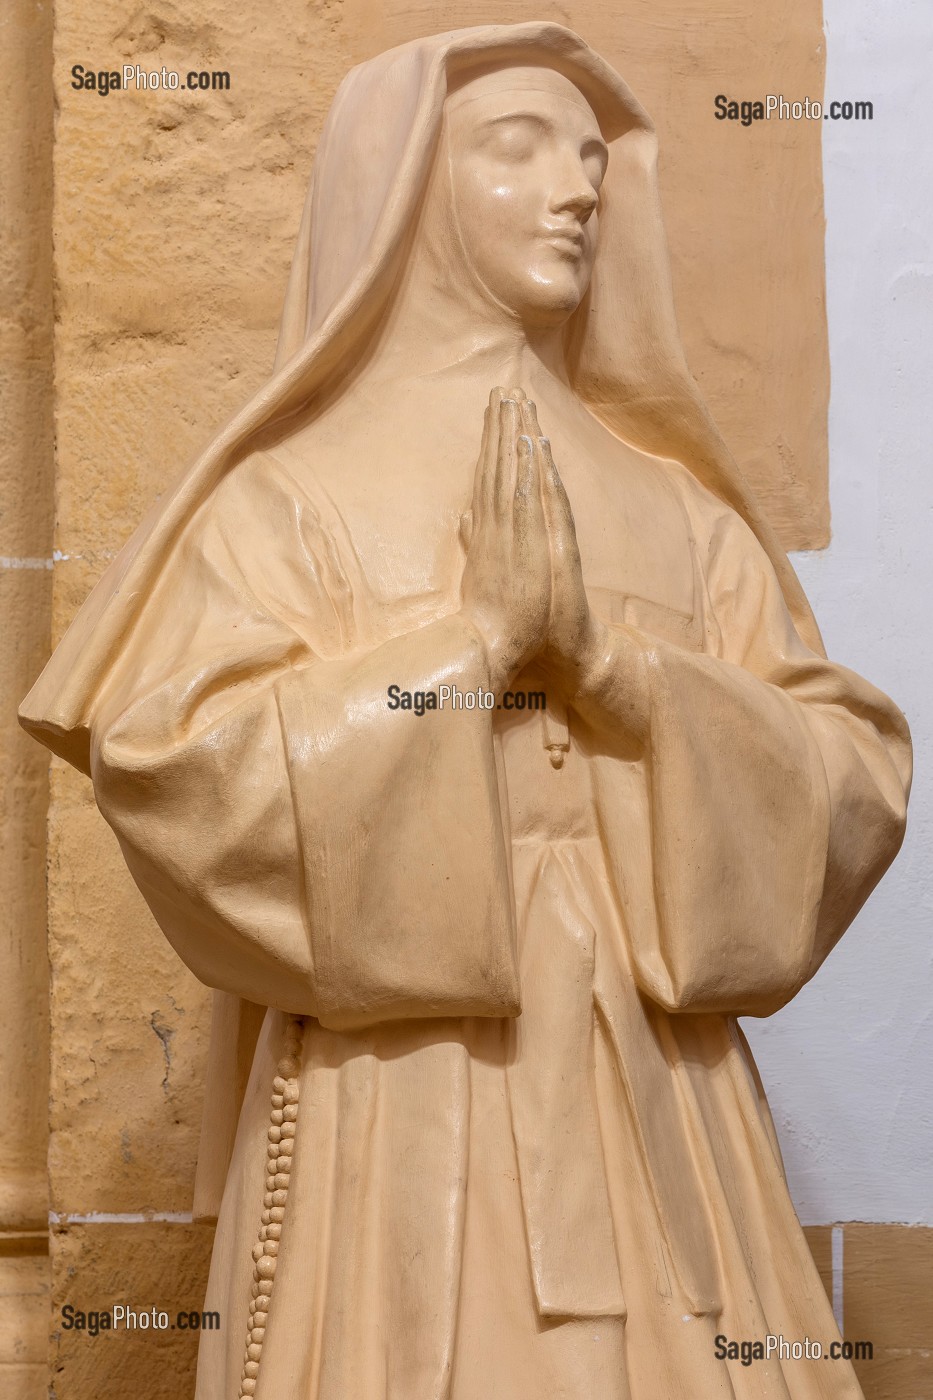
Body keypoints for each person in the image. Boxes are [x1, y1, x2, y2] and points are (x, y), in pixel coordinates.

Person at [21, 23, 910, 1400]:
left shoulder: (680, 510)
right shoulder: (285, 502)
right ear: (406, 190)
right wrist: (472, 654)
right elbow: (181, 769)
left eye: (591, 156)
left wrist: (620, 676)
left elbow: (847, 772)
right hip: (406, 1112)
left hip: (661, 1114)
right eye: (518, 147)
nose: (578, 187)